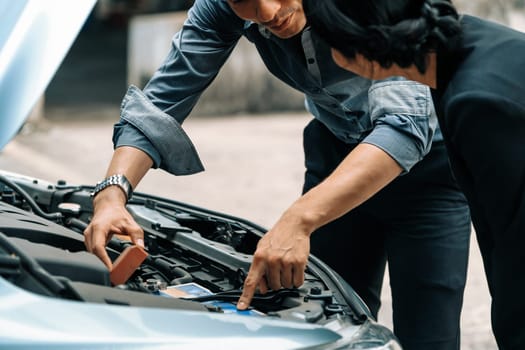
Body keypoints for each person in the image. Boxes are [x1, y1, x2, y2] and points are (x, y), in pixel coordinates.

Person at [83, 1, 471, 348]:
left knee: (428, 336)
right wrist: (112, 194)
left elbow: (404, 126)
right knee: (324, 326)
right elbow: (160, 102)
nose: (267, 14)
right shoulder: (223, 6)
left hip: (430, 174)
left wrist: (298, 219)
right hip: (335, 154)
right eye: (244, 2)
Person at [303, 0, 525, 349]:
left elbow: (516, 247)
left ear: (354, 50)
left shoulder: (477, 100)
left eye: (326, 42)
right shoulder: (466, 48)